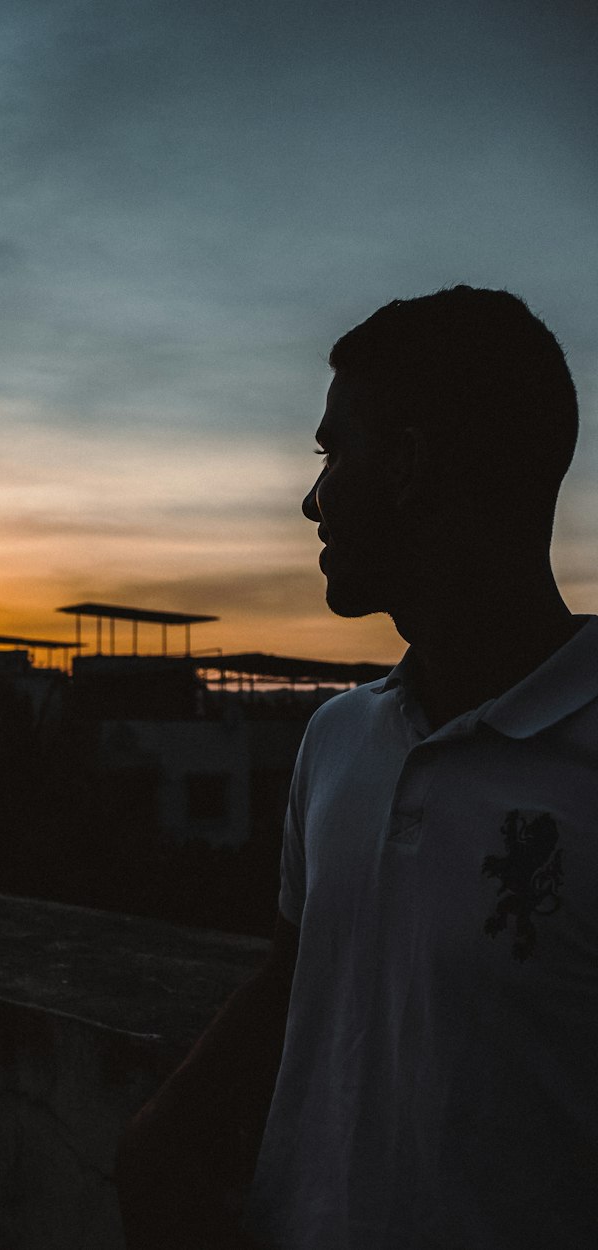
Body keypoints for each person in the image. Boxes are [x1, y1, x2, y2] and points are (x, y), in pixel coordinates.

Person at [115, 286, 597, 1249]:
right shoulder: (337, 740)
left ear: (409, 464)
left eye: (332, 454)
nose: (310, 499)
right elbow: (305, 968)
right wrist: (165, 1139)